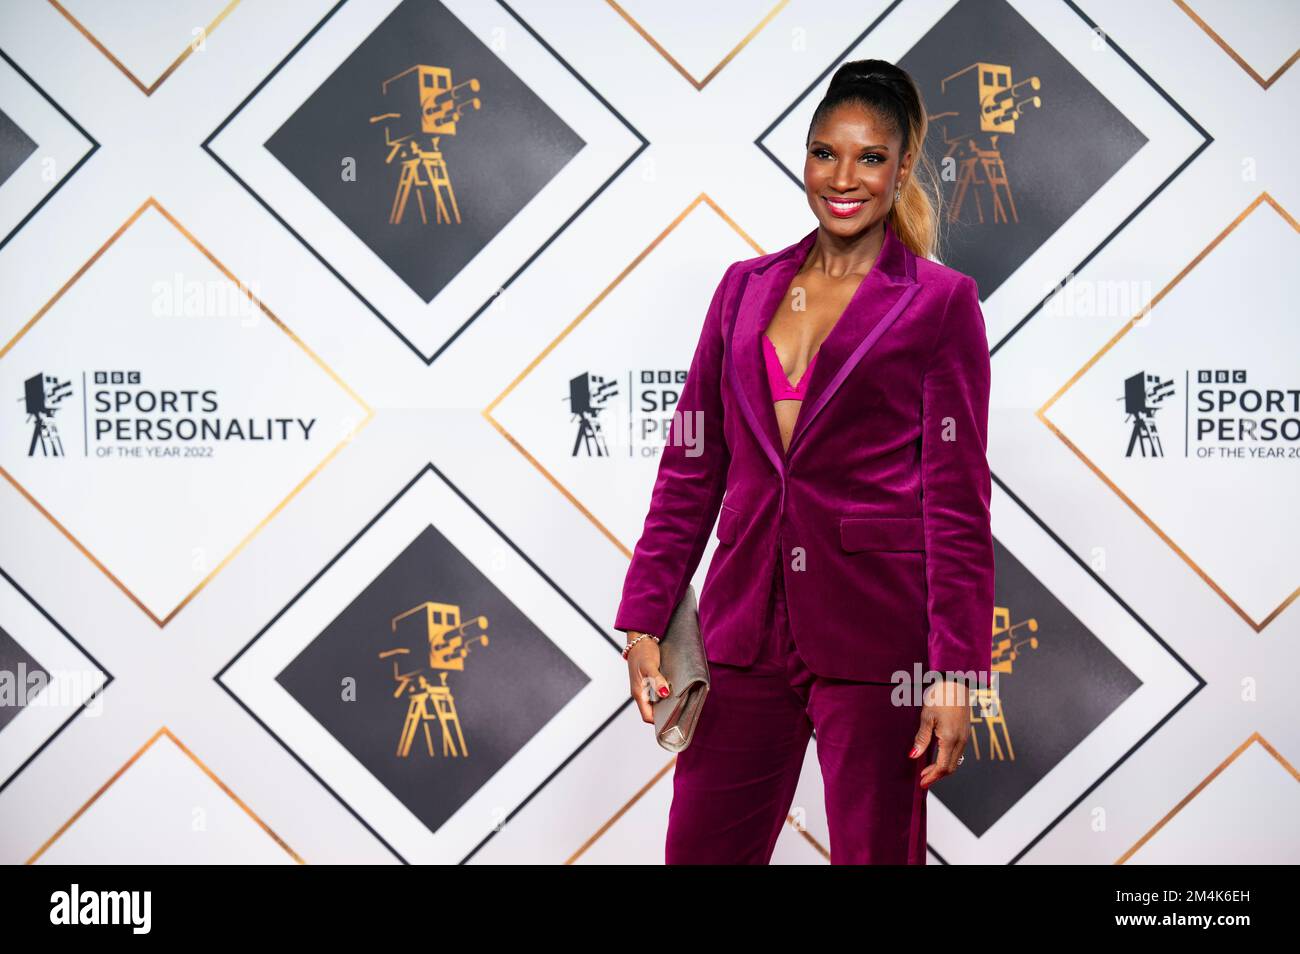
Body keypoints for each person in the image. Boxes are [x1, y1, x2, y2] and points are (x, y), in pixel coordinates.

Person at [615, 59, 995, 864]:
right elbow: (692, 464)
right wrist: (645, 616)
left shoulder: (939, 302)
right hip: (744, 627)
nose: (843, 177)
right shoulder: (743, 290)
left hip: (874, 638)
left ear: (901, 170)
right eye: (825, 153)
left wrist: (957, 674)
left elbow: (957, 506)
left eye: (869, 158)